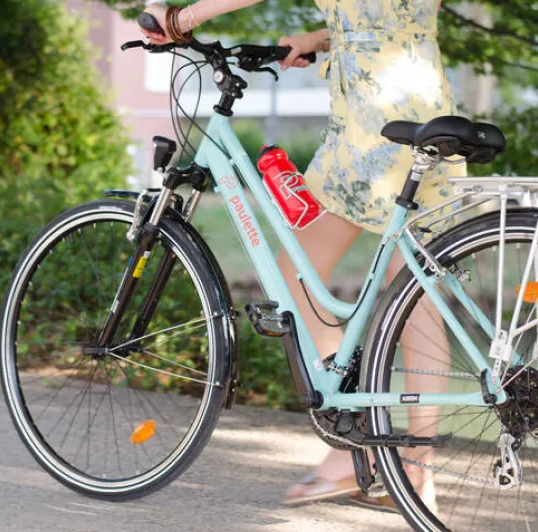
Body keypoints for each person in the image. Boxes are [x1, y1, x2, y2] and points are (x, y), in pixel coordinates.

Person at [139, 0, 461, 512]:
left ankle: (351, 448)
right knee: (414, 299)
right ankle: (417, 475)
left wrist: (182, 20)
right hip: (429, 110)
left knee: (295, 275)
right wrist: (318, 38)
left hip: (373, 126)